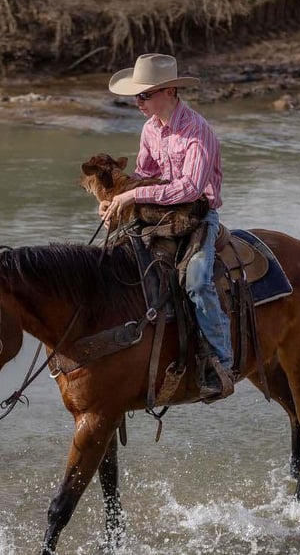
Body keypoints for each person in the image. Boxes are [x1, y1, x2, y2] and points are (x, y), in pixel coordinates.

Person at [101, 53, 234, 400]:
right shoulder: (149, 129)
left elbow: (190, 188)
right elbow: (144, 174)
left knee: (198, 280)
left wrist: (135, 197)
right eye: (137, 95)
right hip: (159, 215)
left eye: (144, 95)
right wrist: (115, 197)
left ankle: (221, 363)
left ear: (170, 91)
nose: (137, 102)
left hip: (197, 214)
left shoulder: (197, 132)